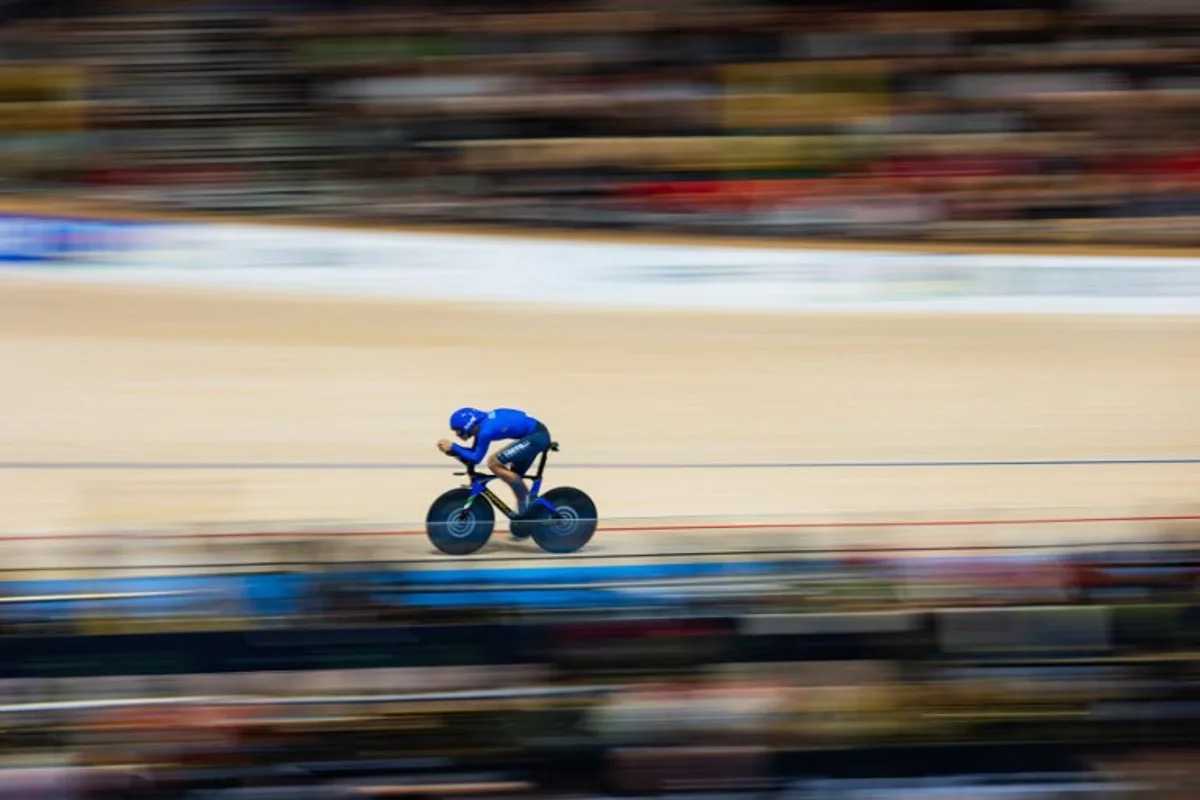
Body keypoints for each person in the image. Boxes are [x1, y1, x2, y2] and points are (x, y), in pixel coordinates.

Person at [438, 406, 552, 515]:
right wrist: (453, 451)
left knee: (493, 462)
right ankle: (525, 513)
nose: (458, 435)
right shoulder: (482, 425)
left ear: (468, 425)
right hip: (535, 435)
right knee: (513, 476)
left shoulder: (485, 431)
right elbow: (473, 454)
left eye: (459, 431)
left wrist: (454, 447)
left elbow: (476, 458)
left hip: (537, 436)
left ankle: (527, 502)